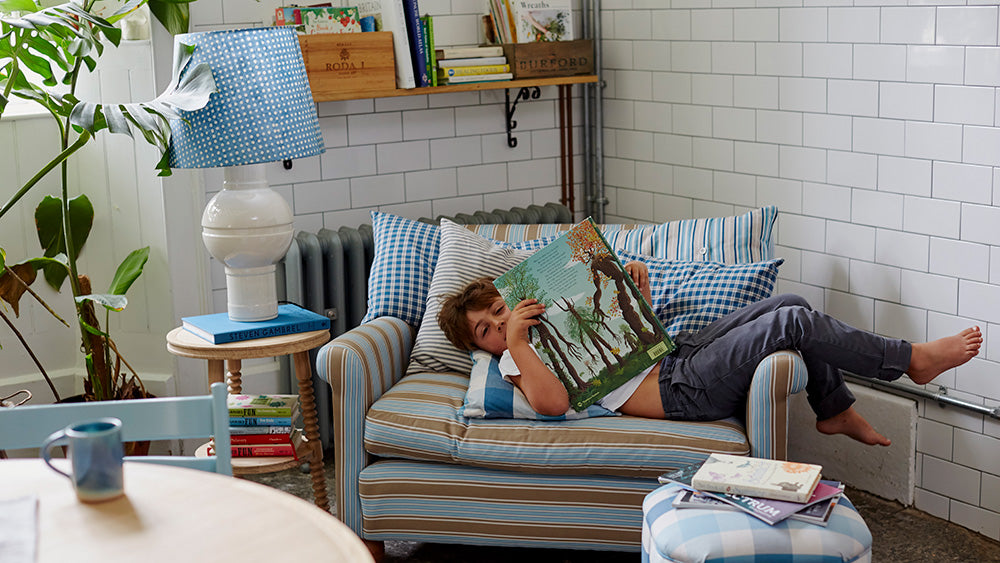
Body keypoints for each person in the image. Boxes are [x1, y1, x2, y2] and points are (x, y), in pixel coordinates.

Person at [437, 262, 983, 447]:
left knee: (789, 302)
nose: (499, 325)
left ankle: (833, 407)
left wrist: (636, 298)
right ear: (482, 346)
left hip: (675, 355)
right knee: (792, 323)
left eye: (497, 312)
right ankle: (909, 359)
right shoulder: (515, 357)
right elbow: (554, 404)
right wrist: (516, 344)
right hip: (681, 390)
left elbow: (634, 343)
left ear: (505, 297)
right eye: (485, 331)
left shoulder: (551, 314)